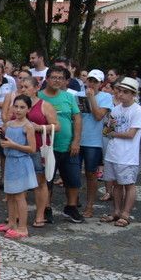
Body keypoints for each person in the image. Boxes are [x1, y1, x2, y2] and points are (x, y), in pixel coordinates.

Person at [38, 66, 83, 223]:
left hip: (68, 146)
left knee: (73, 179)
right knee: (46, 180)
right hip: (46, 147)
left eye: (60, 78)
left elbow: (77, 119)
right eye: (54, 77)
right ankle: (46, 208)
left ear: (65, 81)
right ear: (47, 79)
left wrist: (76, 141)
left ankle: (71, 208)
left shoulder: (69, 97)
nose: (57, 80)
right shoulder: (38, 97)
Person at [101, 77, 141, 228]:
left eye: (125, 92)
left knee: (129, 184)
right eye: (120, 91)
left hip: (127, 155)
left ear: (133, 94)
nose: (120, 95)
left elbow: (131, 134)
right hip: (113, 152)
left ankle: (126, 213)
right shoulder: (116, 109)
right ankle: (117, 211)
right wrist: (109, 126)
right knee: (116, 185)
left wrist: (113, 133)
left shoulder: (138, 110)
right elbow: (106, 132)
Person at [18, 76, 58, 229]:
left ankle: (40, 214)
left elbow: (56, 126)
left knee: (40, 182)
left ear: (36, 88)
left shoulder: (44, 105)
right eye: (21, 86)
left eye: (26, 86)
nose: (23, 89)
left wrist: (39, 127)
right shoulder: (18, 103)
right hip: (20, 147)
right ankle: (18, 214)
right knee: (20, 182)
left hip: (39, 148)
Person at [0, 95, 37, 238]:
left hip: (21, 162)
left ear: (28, 109)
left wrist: (12, 145)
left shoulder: (28, 126)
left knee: (20, 196)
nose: (18, 110)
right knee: (9, 195)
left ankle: (22, 227)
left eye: (22, 107)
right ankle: (11, 222)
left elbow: (32, 149)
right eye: (16, 106)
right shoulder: (9, 124)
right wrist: (4, 143)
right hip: (10, 161)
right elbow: (6, 140)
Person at [77, 69, 113, 218]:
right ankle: (74, 201)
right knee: (73, 172)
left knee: (91, 174)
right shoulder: (78, 95)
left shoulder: (105, 97)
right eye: (90, 80)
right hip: (78, 139)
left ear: (100, 83)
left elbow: (99, 116)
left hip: (94, 141)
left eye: (95, 81)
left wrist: (91, 98)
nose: (91, 83)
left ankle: (90, 205)